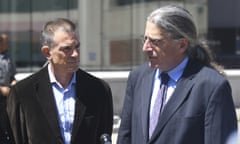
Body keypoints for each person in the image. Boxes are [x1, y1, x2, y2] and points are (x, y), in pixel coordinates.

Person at [117, 5, 238, 144]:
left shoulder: (211, 87)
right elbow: (125, 137)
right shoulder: (137, 78)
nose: (145, 48)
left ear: (182, 45)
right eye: (145, 39)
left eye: (155, 42)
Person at [7, 18, 113, 144]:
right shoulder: (23, 93)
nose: (75, 54)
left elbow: (104, 136)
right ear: (47, 52)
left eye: (77, 47)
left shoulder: (99, 89)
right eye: (67, 49)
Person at [0, 33, 16, 144]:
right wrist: (1, 89)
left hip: (7, 96)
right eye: (5, 42)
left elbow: (12, 75)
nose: (7, 44)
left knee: (7, 122)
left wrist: (13, 82)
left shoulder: (8, 58)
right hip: (2, 93)